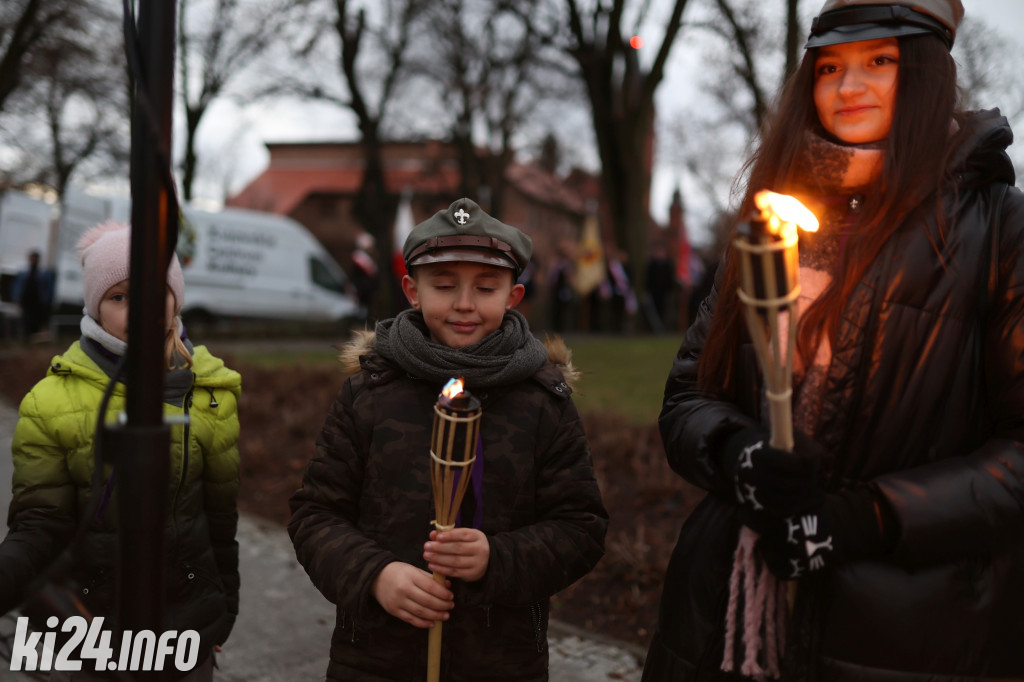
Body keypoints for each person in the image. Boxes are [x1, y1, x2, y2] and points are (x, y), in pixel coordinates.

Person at [643, 1, 1024, 680]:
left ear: (930, 73)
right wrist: (737, 453)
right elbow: (687, 398)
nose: (849, 88)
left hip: (909, 634)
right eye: (830, 67)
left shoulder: (998, 230)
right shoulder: (770, 215)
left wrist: (864, 519)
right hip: (725, 623)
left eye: (880, 62)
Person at [288, 197, 608, 681]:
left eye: (485, 288)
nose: (464, 304)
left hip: (501, 662)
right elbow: (315, 515)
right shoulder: (369, 393)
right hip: (376, 659)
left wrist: (496, 559)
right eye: (444, 286)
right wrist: (375, 575)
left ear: (513, 297)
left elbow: (581, 528)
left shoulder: (544, 401)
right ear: (412, 291)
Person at [0, 222, 241, 680]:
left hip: (184, 631)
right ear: (95, 304)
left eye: (154, 293)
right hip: (92, 630)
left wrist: (221, 611)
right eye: (120, 297)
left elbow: (219, 518)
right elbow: (40, 522)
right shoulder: (50, 401)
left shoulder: (213, 392)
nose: (141, 310)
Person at [11, 249, 55, 341]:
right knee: (26, 320)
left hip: (37, 302)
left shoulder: (43, 273)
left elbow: (47, 289)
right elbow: (18, 286)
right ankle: (26, 338)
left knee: (36, 321)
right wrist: (16, 297)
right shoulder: (24, 272)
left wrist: (46, 301)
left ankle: (33, 338)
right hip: (26, 301)